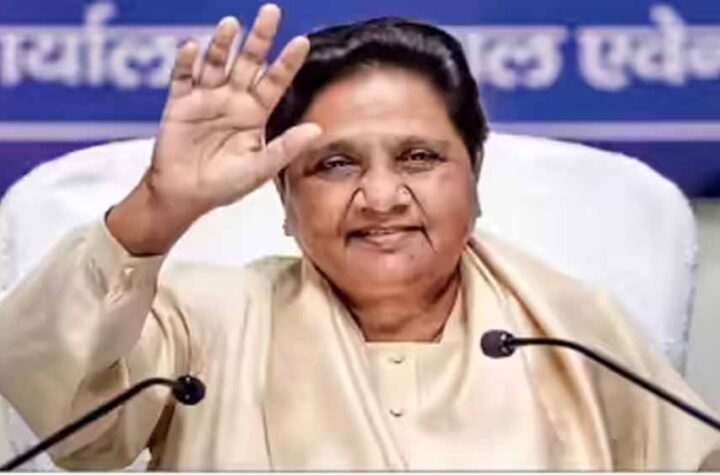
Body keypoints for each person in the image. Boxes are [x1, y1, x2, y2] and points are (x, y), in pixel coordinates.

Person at [0, 3, 719, 470]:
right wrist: (157, 208)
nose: (380, 197)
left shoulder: (571, 331)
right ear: (284, 196)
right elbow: (70, 425)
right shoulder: (203, 322)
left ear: (475, 173)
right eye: (335, 164)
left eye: (419, 157)